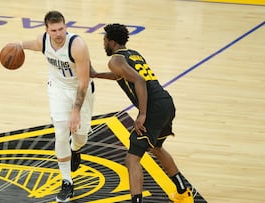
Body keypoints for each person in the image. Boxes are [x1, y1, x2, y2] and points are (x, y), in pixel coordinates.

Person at [90, 23, 194, 203]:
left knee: (131, 159)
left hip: (153, 109)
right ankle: (183, 193)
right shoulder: (133, 54)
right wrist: (96, 74)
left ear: (112, 42)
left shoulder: (115, 60)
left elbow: (139, 80)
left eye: (105, 39)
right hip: (166, 103)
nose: (103, 43)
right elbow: (120, 75)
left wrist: (142, 114)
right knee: (156, 147)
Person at [11, 11, 95, 202]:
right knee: (61, 133)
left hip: (80, 91)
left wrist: (76, 111)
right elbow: (35, 45)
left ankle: (76, 149)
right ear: (47, 30)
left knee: (81, 135)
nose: (58, 34)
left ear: (66, 26)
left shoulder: (77, 46)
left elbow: (83, 83)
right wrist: (19, 45)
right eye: (54, 30)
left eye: (61, 29)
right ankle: (67, 182)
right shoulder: (43, 40)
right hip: (57, 89)